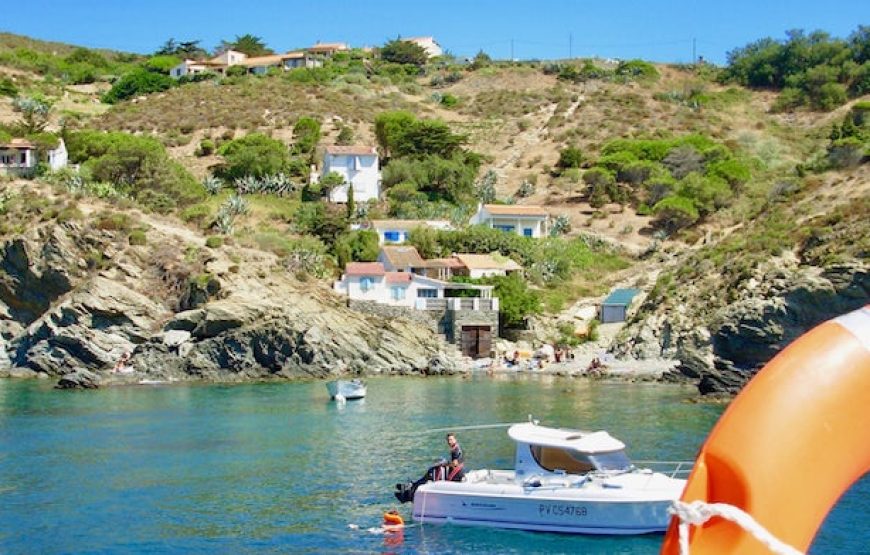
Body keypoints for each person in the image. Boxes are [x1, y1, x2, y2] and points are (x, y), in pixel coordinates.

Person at [395, 433, 465, 503]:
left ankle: (411, 490)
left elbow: (455, 464)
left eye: (451, 440)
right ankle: (412, 487)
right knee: (431, 472)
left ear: (455, 439)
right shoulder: (455, 448)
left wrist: (444, 464)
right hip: (455, 472)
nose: (449, 442)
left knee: (432, 472)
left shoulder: (456, 450)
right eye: (448, 440)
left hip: (456, 475)